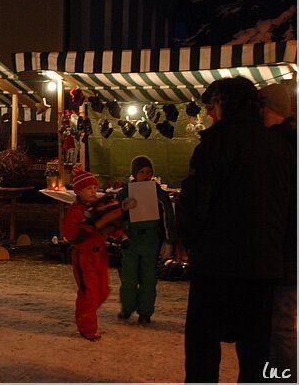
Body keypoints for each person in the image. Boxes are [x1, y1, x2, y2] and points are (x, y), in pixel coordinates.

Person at [179, 77, 291, 383]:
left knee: (203, 349)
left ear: (225, 104)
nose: (209, 112)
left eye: (213, 105)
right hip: (262, 265)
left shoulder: (215, 144)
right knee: (255, 351)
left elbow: (195, 203)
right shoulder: (279, 147)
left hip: (217, 264)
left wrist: (190, 240)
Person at [259, 83, 297, 382]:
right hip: (285, 248)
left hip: (282, 249)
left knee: (279, 327)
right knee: (278, 325)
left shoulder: (278, 147)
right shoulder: (287, 143)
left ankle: (282, 378)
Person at [61, 166, 125, 341]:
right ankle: (87, 328)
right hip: (84, 256)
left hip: (100, 255)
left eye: (95, 187)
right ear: (78, 191)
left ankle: (84, 314)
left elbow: (109, 223)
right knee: (89, 293)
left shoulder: (98, 206)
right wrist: (87, 228)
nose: (93, 191)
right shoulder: (75, 212)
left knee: (102, 291)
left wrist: (120, 235)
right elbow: (70, 234)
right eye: (89, 188)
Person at [116, 155, 176, 324]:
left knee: (148, 278)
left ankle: (145, 311)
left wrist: (169, 241)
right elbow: (115, 217)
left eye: (149, 172)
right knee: (129, 277)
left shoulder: (159, 194)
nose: (146, 175)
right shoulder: (124, 193)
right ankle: (127, 307)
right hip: (131, 240)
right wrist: (123, 208)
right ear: (135, 173)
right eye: (141, 172)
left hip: (150, 240)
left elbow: (168, 217)